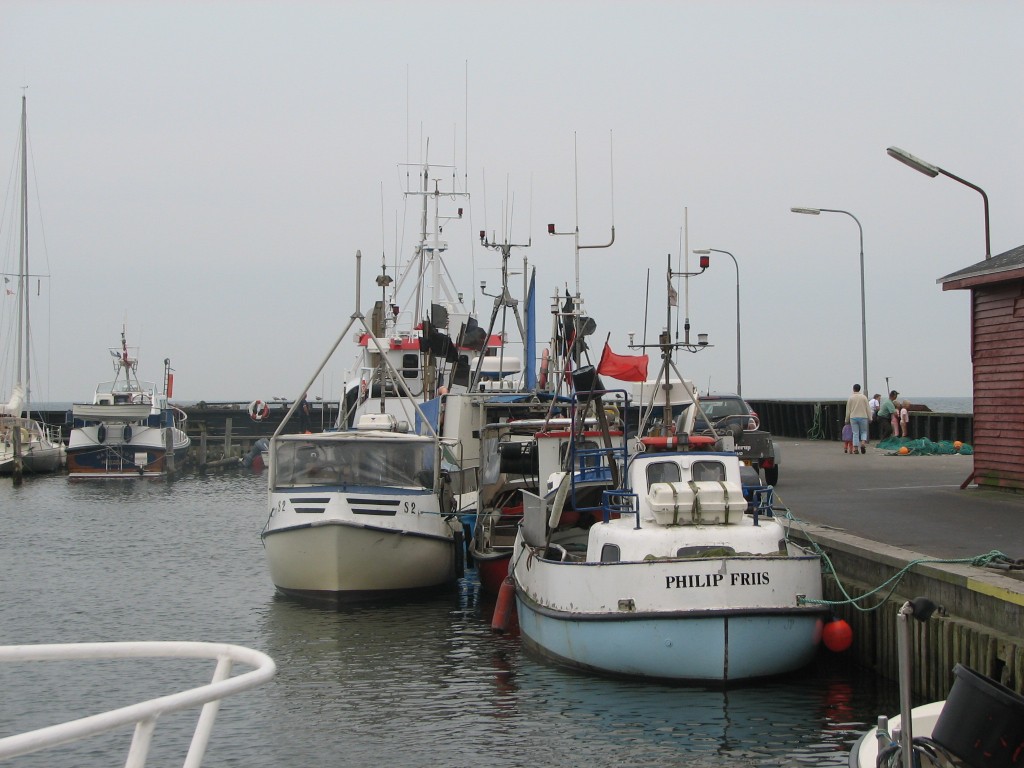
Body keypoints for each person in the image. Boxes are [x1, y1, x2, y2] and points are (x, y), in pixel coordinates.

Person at [844, 383, 871, 454]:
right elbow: (868, 408)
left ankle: (855, 448)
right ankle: (863, 443)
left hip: (853, 417)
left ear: (853, 389)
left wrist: (846, 420)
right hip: (863, 416)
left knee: (855, 433)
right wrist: (870, 417)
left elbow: (848, 410)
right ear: (860, 389)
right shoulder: (864, 397)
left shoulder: (851, 398)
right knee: (863, 432)